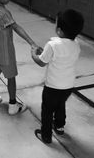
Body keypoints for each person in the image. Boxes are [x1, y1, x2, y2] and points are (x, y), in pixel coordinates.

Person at [31, 9, 84, 144]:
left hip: (52, 87)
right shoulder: (77, 44)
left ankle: (46, 135)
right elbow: (62, 55)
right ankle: (59, 127)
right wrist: (47, 54)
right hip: (67, 86)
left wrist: (33, 54)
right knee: (61, 105)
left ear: (59, 30)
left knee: (47, 111)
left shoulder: (52, 45)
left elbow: (42, 62)